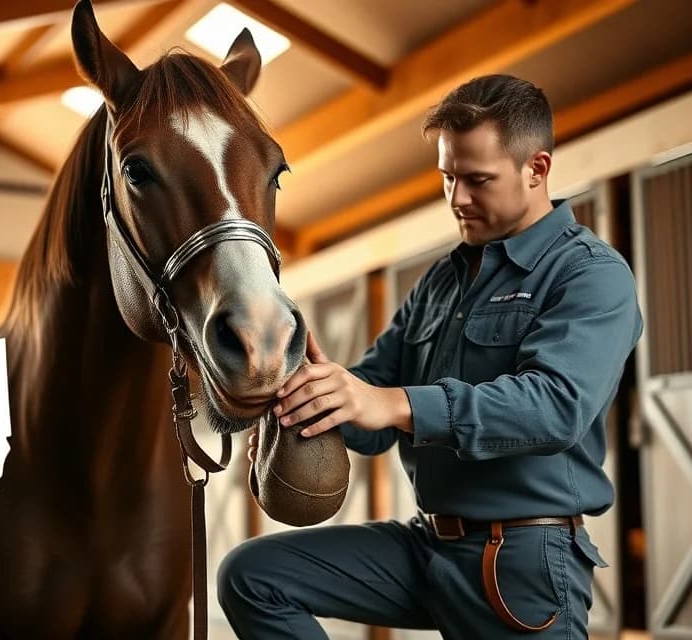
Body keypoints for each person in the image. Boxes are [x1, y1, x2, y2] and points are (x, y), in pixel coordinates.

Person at [216, 74, 643, 639]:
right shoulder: (441, 282)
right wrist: (308, 392)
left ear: (536, 169)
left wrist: (392, 404)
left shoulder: (590, 274)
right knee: (252, 576)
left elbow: (556, 407)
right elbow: (370, 409)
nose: (457, 198)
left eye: (478, 180)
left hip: (518, 562)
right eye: (447, 177)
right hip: (424, 547)